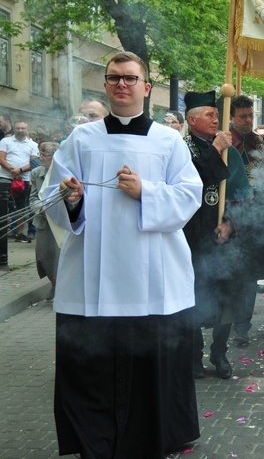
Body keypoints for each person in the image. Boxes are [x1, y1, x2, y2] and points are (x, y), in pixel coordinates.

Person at [43, 51, 202, 458]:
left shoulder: (168, 141)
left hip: (154, 275)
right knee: (91, 367)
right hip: (92, 276)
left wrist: (145, 191)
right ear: (106, 84)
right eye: (114, 78)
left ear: (146, 88)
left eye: (130, 79)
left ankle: (153, 436)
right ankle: (94, 440)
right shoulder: (81, 139)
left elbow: (189, 196)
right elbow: (50, 195)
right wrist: (72, 198)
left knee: (151, 365)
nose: (121, 85)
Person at [182, 91, 257, 379]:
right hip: (191, 236)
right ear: (191, 119)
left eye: (217, 114)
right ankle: (194, 355)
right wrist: (214, 149)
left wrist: (229, 224)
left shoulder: (230, 151)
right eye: (209, 115)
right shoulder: (180, 149)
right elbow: (196, 178)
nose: (216, 119)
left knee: (226, 296)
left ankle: (220, 352)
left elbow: (241, 194)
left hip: (222, 237)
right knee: (194, 296)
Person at [227, 94, 264, 345]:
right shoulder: (223, 143)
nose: (248, 121)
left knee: (248, 276)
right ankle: (223, 321)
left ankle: (242, 326)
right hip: (226, 217)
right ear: (231, 116)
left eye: (251, 115)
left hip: (256, 218)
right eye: (242, 116)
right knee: (226, 272)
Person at [29, 141, 60, 300]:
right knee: (44, 257)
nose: (40, 157)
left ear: (54, 157)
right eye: (40, 153)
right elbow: (33, 198)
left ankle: (58, 287)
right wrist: (39, 208)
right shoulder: (36, 173)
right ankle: (53, 283)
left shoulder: (63, 172)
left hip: (61, 223)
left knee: (60, 255)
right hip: (43, 221)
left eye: (44, 155)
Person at [0, 120, 39, 242]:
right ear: (14, 129)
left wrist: (20, 170)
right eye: (18, 128)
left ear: (26, 129)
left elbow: (33, 162)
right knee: (3, 205)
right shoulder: (5, 141)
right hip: (5, 178)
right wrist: (12, 171)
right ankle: (2, 232)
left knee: (21, 207)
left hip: (24, 179)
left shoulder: (33, 145)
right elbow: (1, 158)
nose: (20, 130)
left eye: (23, 128)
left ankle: (19, 233)